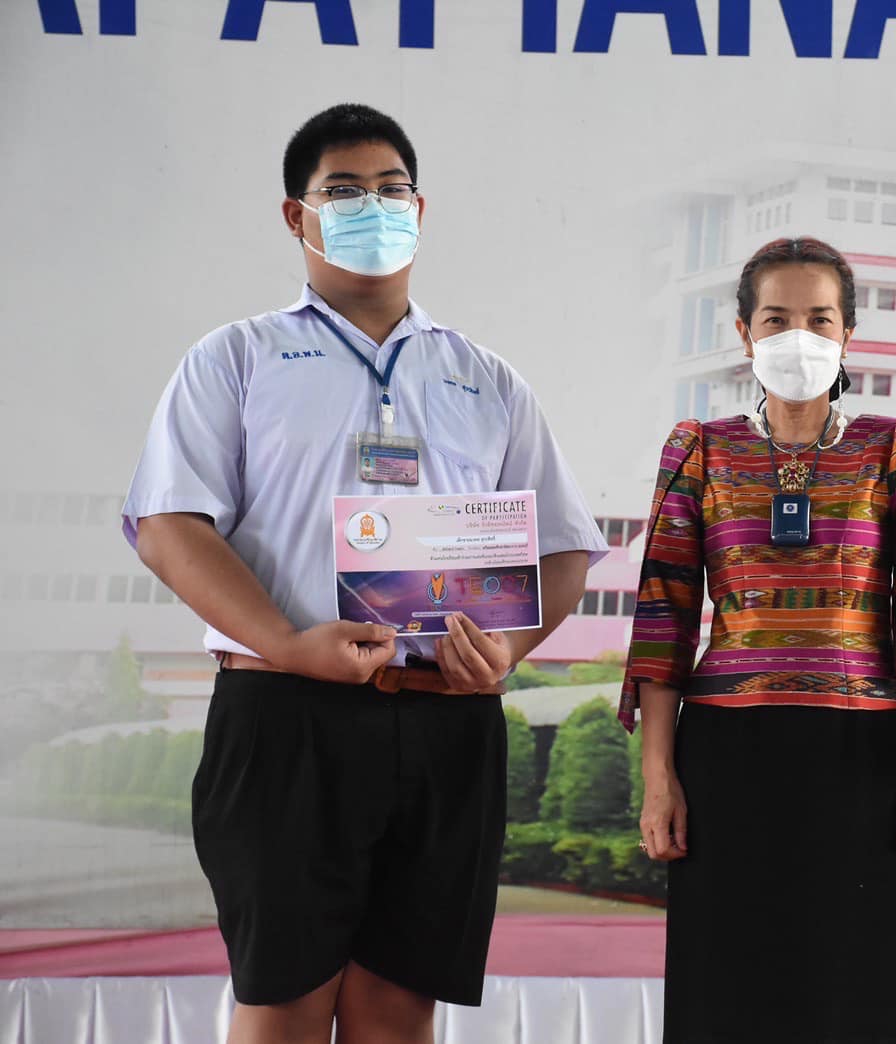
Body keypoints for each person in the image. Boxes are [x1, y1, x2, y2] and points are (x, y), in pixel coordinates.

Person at [122, 104, 606, 1043]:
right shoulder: (237, 358)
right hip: (283, 714)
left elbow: (563, 548)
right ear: (296, 216)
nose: (372, 208)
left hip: (446, 720)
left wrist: (505, 651)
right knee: (284, 1003)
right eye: (343, 192)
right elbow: (170, 528)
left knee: (398, 1009)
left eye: (391, 190)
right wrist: (289, 644)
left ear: (419, 211)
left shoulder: (487, 378)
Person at [620, 237, 896, 1043]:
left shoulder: (893, 444)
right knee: (728, 995)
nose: (798, 336)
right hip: (725, 757)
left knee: (856, 995)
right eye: (777, 318)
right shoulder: (700, 449)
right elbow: (665, 616)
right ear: (744, 333)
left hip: (865, 755)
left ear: (849, 333)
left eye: (820, 318)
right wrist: (658, 775)